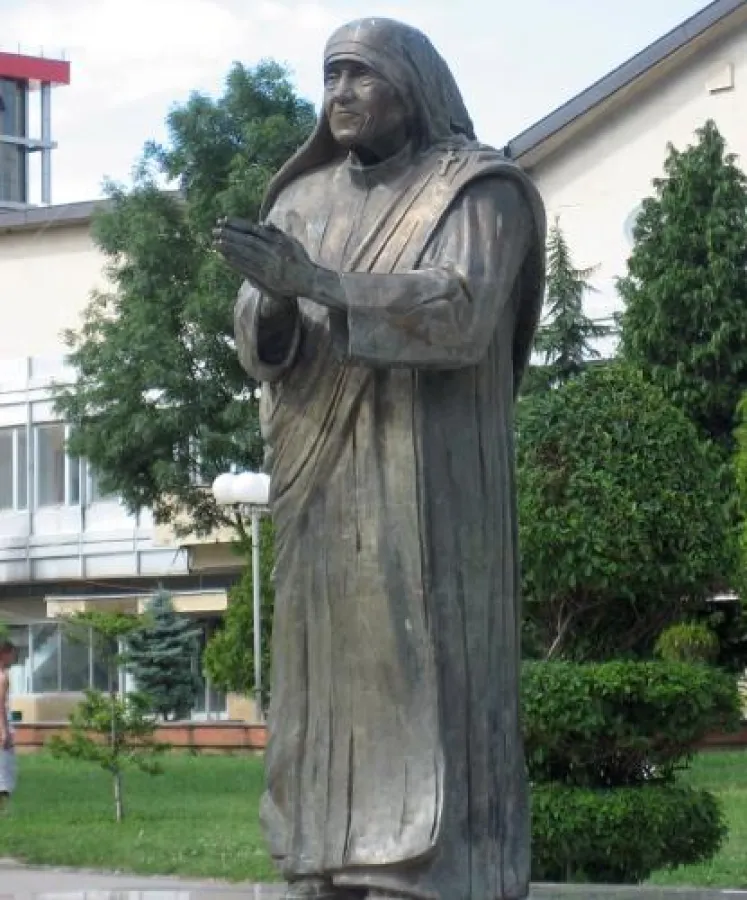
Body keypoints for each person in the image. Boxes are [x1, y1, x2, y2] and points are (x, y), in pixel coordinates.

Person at [215, 17, 546, 900]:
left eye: (359, 75)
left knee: (420, 664)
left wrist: (318, 284)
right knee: (320, 672)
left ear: (413, 82)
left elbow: (458, 312)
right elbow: (258, 338)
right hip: (319, 481)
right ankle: (323, 854)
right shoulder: (300, 202)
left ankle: (431, 868)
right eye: (329, 79)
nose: (341, 96)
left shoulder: (477, 191)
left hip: (426, 481)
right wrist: (275, 305)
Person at [0, 638, 17, 811]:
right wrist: (4, 731)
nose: (13, 657)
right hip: (2, 726)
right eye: (12, 654)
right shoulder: (2, 677)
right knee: (4, 774)